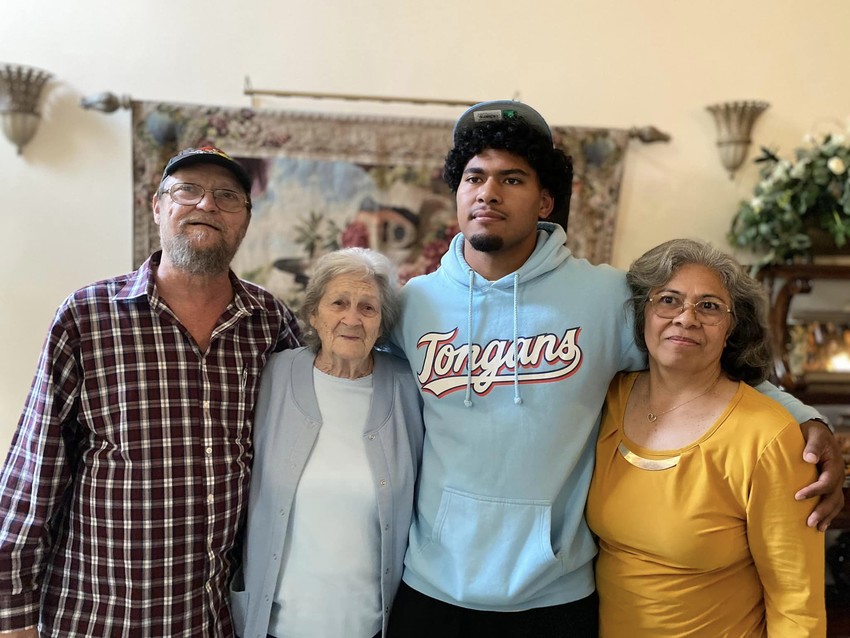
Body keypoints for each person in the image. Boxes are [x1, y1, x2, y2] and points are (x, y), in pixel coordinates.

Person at [386, 100, 843, 637]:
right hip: (431, 585)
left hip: (553, 594)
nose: (488, 192)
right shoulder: (413, 304)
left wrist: (809, 420)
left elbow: (700, 361)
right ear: (458, 193)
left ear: (546, 201)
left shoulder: (604, 297)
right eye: (474, 177)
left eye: (512, 178)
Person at [0, 146, 301, 637]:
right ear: (157, 206)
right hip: (97, 617)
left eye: (227, 196)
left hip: (213, 618)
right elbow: (33, 476)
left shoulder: (270, 324)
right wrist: (13, 620)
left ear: (245, 220)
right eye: (188, 190)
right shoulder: (87, 318)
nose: (207, 205)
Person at [586, 238, 826, 636]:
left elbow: (796, 601)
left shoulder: (767, 434)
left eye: (709, 306)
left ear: (732, 327)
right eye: (668, 300)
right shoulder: (608, 398)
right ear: (643, 313)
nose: (686, 318)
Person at [230, 248, 424, 638]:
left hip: (370, 625)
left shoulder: (408, 387)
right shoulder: (273, 375)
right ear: (314, 314)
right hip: (276, 626)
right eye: (339, 303)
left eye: (368, 308)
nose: (352, 318)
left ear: (382, 324)